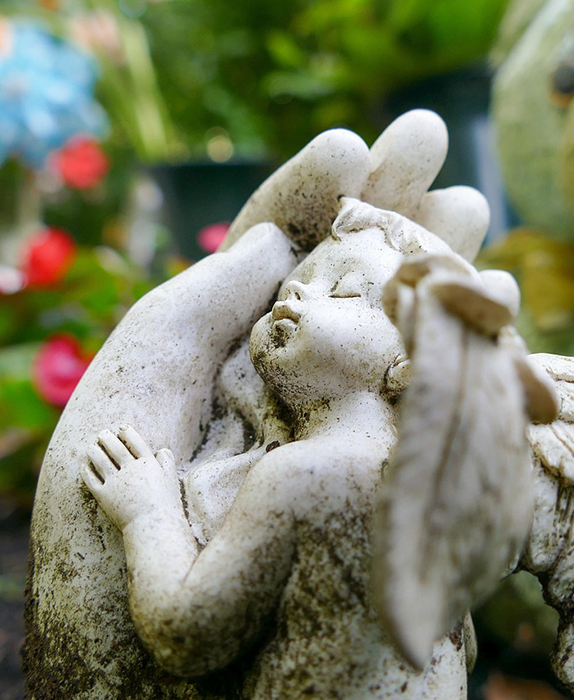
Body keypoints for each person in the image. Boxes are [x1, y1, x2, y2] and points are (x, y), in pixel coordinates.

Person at [81, 200, 473, 697]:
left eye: (345, 290)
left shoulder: (305, 472)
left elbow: (187, 635)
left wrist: (146, 512)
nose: (301, 292)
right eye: (293, 286)